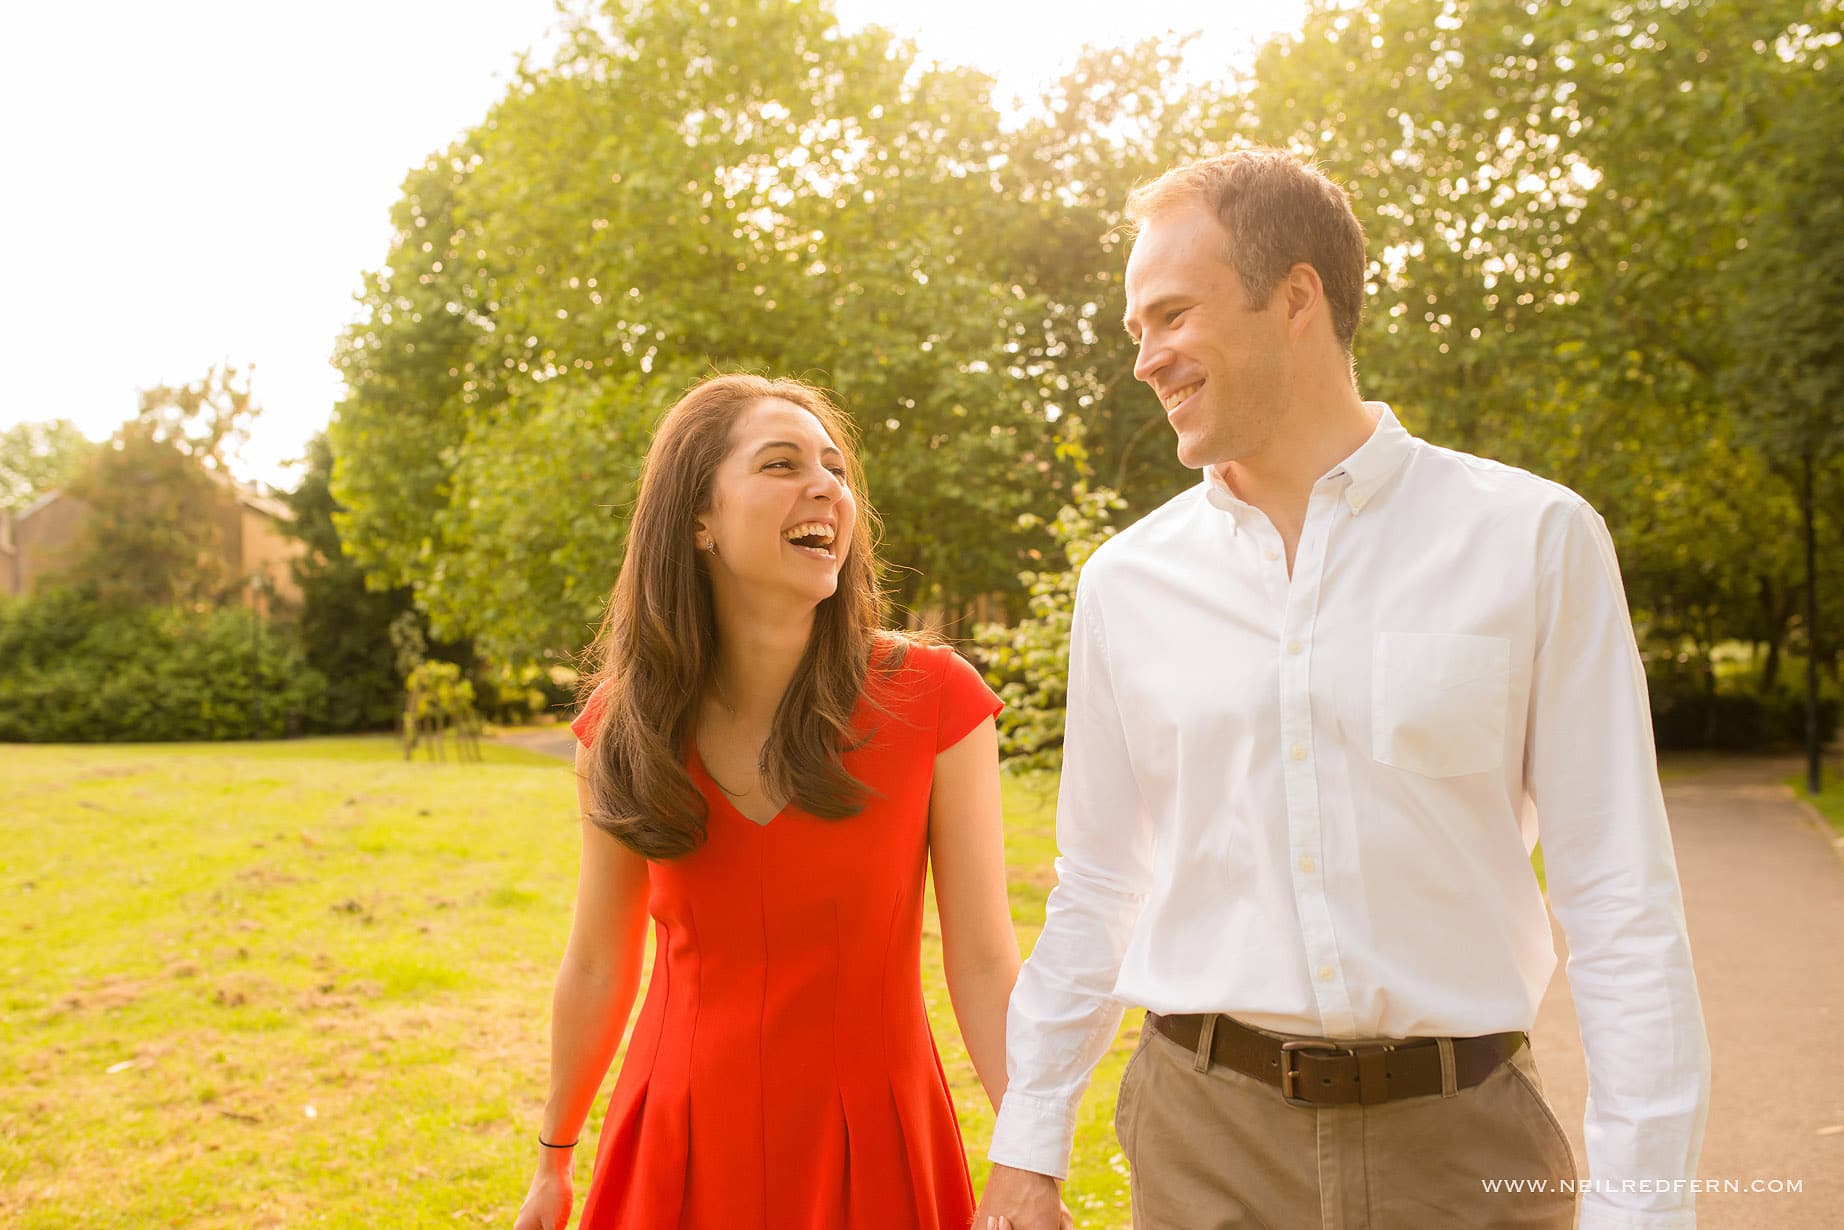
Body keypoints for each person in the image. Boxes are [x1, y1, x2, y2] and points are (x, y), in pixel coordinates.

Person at [973, 149, 1710, 1229]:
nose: (1145, 360)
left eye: (1171, 315)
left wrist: (1642, 1207)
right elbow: (1096, 884)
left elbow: (1618, 898)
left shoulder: (1531, 539)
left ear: (1295, 299)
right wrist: (1029, 1149)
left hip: (1465, 1151)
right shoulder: (1126, 583)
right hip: (1204, 1146)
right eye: (1137, 329)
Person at [512, 373, 1021, 1230]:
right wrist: (553, 1161)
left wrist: (1028, 1155)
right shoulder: (623, 725)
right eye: (781, 464)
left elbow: (982, 960)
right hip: (675, 1139)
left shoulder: (936, 699)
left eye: (836, 469)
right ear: (698, 519)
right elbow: (599, 962)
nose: (826, 487)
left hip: (873, 1141)